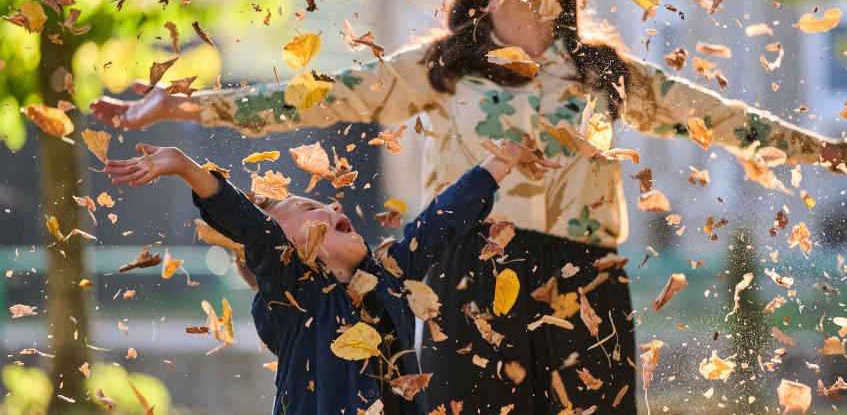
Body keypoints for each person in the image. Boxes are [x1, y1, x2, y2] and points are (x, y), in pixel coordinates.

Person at [91, 0, 847, 413]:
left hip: (587, 276)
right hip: (466, 277)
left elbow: (721, 119)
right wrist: (188, 104)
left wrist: (838, 154)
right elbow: (318, 95)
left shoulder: (606, 72)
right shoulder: (441, 65)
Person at [103, 139, 556, 415]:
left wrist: (501, 161)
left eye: (328, 204)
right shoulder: (295, 296)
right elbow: (252, 229)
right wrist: (186, 168)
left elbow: (437, 224)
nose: (333, 208)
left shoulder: (388, 277)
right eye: (306, 209)